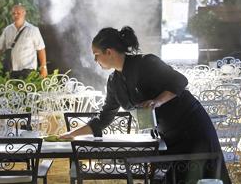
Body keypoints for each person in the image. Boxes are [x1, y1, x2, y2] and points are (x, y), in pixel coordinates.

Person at [59, 26, 231, 183]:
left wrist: (157, 101)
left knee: (201, 179)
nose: (95, 60)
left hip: (193, 128)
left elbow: (180, 80)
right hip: (168, 138)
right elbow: (104, 117)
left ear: (109, 52)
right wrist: (72, 134)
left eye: (96, 54)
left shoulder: (147, 63)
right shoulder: (114, 82)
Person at [0, 4, 48, 79]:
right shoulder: (7, 30)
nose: (15, 15)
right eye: (13, 13)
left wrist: (44, 67)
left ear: (24, 13)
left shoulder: (33, 30)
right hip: (10, 70)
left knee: (27, 91)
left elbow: (41, 49)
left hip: (28, 71)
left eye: (18, 13)